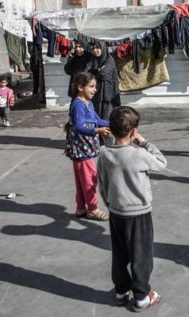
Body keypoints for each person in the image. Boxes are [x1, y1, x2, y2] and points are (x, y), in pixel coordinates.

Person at [97, 106, 167, 312]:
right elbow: (162, 162)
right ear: (133, 131)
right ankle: (141, 296)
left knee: (119, 255)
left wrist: (110, 205)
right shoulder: (138, 154)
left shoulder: (104, 154)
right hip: (139, 214)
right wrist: (144, 143)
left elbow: (102, 185)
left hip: (117, 212)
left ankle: (120, 291)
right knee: (141, 256)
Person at [65, 72, 112, 221]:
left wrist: (114, 123)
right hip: (81, 149)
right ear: (80, 87)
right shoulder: (78, 103)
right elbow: (78, 126)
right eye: (91, 86)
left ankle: (81, 208)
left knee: (82, 180)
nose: (94, 90)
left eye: (95, 87)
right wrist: (97, 130)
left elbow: (97, 120)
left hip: (83, 149)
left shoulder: (88, 102)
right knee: (90, 180)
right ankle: (93, 209)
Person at [89, 41, 121, 121]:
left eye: (98, 48)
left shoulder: (109, 60)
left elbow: (103, 74)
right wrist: (98, 70)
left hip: (109, 95)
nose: (95, 50)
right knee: (96, 115)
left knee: (107, 116)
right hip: (97, 94)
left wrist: (97, 71)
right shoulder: (94, 60)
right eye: (94, 48)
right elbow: (89, 72)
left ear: (103, 49)